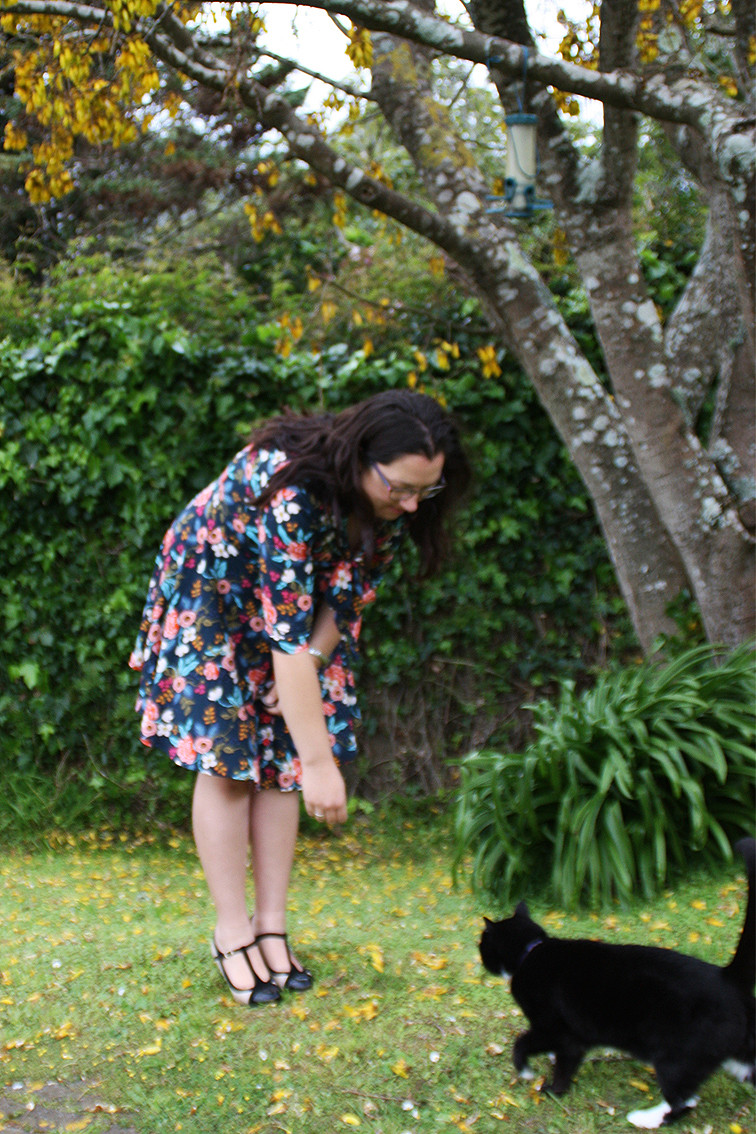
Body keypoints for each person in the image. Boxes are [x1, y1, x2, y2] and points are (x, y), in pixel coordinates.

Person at [129, 389, 471, 1006]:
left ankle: (271, 926)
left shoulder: (389, 506)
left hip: (288, 617)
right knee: (231, 763)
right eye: (399, 488)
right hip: (213, 600)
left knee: (280, 766)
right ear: (362, 459)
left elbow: (348, 596)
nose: (412, 503)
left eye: (427, 491)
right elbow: (282, 638)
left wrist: (315, 661)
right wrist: (321, 764)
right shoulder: (293, 493)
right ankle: (231, 931)